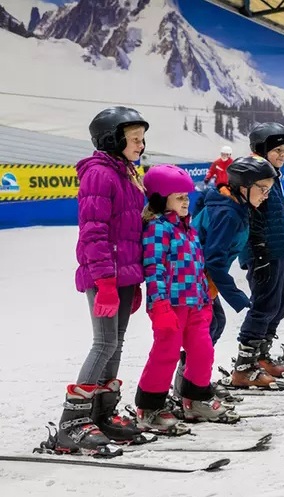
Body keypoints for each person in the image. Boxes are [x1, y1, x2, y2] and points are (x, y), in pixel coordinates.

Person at [51, 107, 150, 456]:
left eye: (141, 139)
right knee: (104, 343)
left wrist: (132, 281)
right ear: (113, 139)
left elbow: (131, 231)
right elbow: (94, 232)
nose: (141, 145)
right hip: (103, 274)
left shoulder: (126, 173)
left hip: (123, 274)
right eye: (134, 139)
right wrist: (106, 281)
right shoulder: (99, 175)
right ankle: (72, 422)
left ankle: (102, 413)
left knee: (117, 342)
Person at [135, 165, 239, 432]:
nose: (185, 201)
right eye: (179, 197)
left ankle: (195, 399)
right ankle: (150, 405)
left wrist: (205, 300)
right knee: (166, 353)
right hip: (169, 306)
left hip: (195, 304)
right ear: (161, 199)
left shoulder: (188, 229)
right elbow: (154, 267)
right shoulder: (158, 229)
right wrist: (159, 305)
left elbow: (197, 266)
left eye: (186, 196)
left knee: (203, 351)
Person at [192, 156, 284, 390]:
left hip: (202, 276)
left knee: (212, 325)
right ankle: (191, 388)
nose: (266, 194)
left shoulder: (236, 206)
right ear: (244, 187)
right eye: (262, 189)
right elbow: (212, 259)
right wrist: (235, 295)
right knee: (207, 328)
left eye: (269, 189)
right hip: (193, 276)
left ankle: (193, 385)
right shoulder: (228, 213)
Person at [236, 122, 284, 373]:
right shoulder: (252, 176)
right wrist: (259, 252)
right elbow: (251, 218)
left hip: (279, 250)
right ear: (261, 149)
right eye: (277, 150)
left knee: (278, 306)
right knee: (263, 305)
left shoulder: (273, 177)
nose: (282, 155)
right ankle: (245, 364)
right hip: (263, 252)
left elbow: (283, 216)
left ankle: (262, 356)